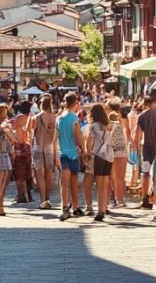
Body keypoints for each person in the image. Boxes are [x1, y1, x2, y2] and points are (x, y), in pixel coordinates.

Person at [56, 92, 85, 221]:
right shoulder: (74, 118)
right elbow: (78, 136)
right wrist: (83, 148)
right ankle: (76, 206)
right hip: (73, 153)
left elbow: (56, 137)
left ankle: (65, 206)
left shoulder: (59, 118)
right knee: (74, 180)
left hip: (62, 152)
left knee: (64, 182)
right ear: (75, 103)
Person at [30, 95, 58, 209]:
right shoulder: (54, 118)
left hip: (38, 147)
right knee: (49, 174)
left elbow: (31, 133)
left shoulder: (36, 117)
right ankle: (48, 198)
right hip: (50, 148)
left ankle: (43, 201)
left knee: (40, 176)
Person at [134, 93, 156, 211]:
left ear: (145, 104)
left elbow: (137, 134)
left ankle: (145, 198)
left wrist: (135, 148)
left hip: (146, 148)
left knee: (145, 173)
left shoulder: (142, 116)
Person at [87, 103, 114, 221]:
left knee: (99, 185)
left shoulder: (93, 126)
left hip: (98, 155)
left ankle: (100, 211)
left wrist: (87, 153)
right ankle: (103, 208)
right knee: (105, 184)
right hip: (109, 155)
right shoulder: (108, 125)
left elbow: (89, 142)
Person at [11, 101, 34, 204]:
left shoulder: (19, 117)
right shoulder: (31, 118)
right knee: (28, 173)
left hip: (19, 146)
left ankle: (21, 195)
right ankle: (29, 195)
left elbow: (14, 132)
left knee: (19, 172)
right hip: (28, 146)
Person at [109, 105, 130, 207]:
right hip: (120, 149)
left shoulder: (111, 120)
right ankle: (119, 199)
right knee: (119, 176)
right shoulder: (123, 121)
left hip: (114, 150)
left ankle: (117, 199)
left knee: (115, 176)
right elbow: (127, 135)